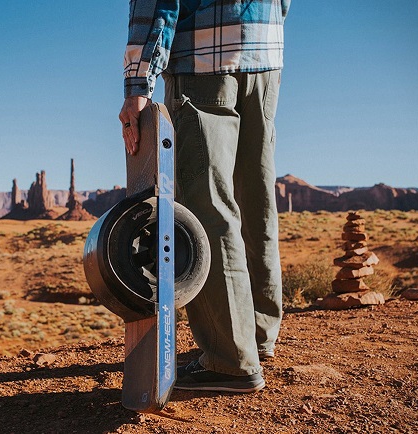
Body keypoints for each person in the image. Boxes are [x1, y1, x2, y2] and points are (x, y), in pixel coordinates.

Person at [119, 0, 290, 393]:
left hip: (203, 60)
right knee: (256, 199)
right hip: (266, 56)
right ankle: (257, 336)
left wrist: (138, 83)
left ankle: (231, 359)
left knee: (207, 205)